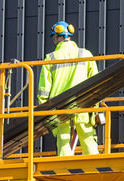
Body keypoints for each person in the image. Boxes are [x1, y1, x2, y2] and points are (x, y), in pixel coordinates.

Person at [37, 21, 99, 156]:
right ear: (69, 36)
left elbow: (43, 92)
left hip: (59, 106)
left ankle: (64, 167)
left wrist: (45, 113)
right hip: (82, 102)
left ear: (55, 37)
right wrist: (95, 108)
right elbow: (96, 85)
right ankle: (95, 165)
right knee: (87, 136)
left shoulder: (50, 58)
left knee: (63, 138)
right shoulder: (85, 54)